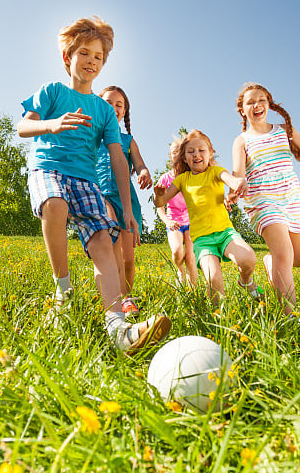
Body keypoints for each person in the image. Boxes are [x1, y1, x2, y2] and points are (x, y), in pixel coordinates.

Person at [16, 16, 171, 354]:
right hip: (49, 169)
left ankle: (118, 328)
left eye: (98, 57)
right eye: (84, 53)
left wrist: (128, 210)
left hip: (85, 181)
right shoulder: (53, 92)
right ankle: (63, 289)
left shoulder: (102, 110)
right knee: (55, 205)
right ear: (67, 58)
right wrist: (52, 124)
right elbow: (22, 128)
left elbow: (118, 158)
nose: (91, 61)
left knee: (104, 240)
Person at [229, 82, 300, 314]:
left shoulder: (284, 129)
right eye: (250, 102)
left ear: (269, 104)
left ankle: (270, 263)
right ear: (242, 110)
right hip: (263, 198)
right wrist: (234, 190)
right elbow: (238, 174)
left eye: (261, 100)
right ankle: (290, 316)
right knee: (284, 254)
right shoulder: (242, 140)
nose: (257, 105)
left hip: (292, 195)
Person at [153, 129, 260, 305]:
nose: (196, 155)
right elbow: (160, 203)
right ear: (185, 158)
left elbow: (230, 179)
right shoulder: (182, 180)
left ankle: (246, 281)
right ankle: (220, 318)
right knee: (213, 279)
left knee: (248, 259)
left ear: (210, 154)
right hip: (202, 240)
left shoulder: (216, 172)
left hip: (225, 232)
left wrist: (238, 182)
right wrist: (158, 195)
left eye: (201, 150)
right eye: (191, 152)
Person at [94, 86, 152, 315]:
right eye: (108, 103)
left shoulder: (128, 140)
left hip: (126, 200)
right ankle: (116, 299)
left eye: (119, 105)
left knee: (128, 258)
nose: (114, 107)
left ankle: (127, 295)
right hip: (100, 196)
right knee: (113, 246)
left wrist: (144, 172)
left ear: (124, 112)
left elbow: (139, 164)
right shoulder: (91, 136)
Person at [155, 138, 198, 287]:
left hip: (191, 222)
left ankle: (194, 290)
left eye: (180, 152)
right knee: (178, 252)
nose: (177, 155)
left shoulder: (191, 176)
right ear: (170, 155)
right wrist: (167, 221)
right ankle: (181, 272)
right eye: (174, 152)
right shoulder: (165, 179)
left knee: (191, 257)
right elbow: (159, 207)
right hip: (174, 222)